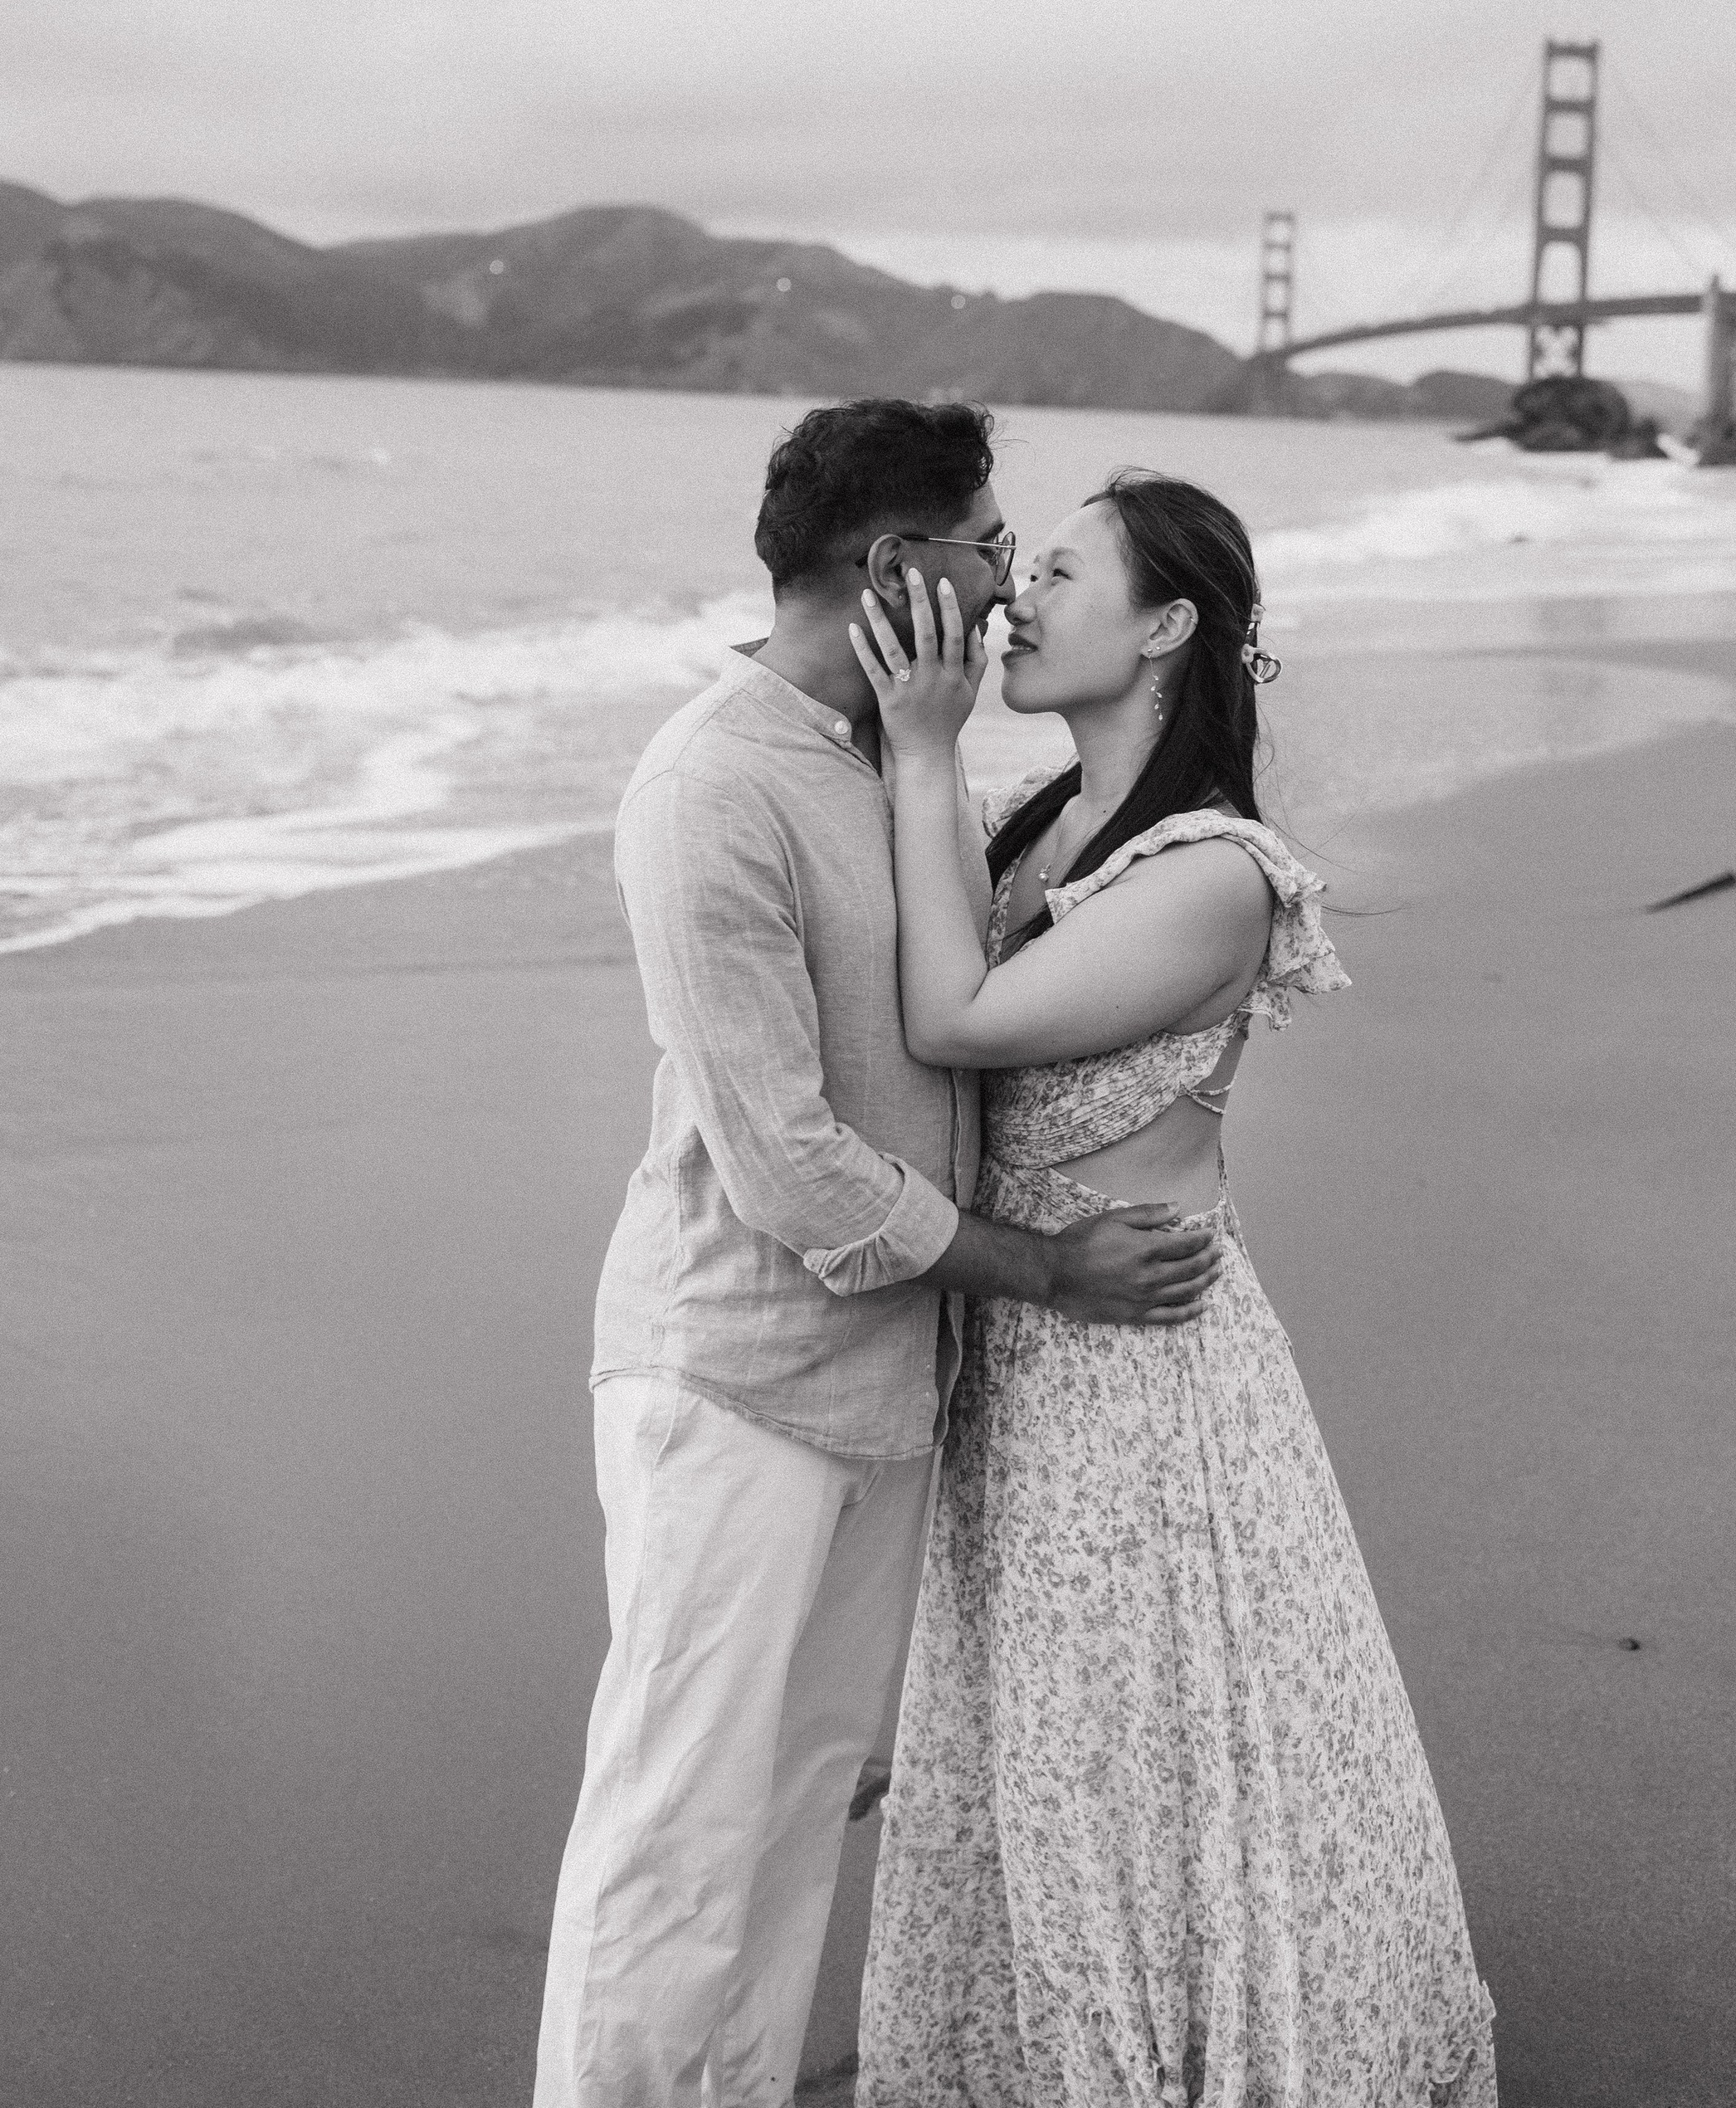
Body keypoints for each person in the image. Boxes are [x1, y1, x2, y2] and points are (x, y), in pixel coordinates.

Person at [534, 403, 1226, 2108]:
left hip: (882, 1390)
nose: (1007, 583)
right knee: (675, 1836)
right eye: (988, 546)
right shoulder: (711, 787)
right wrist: (1046, 1272)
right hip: (732, 1380)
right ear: (889, 567)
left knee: (793, 1824)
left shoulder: (890, 761)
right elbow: (786, 1166)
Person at [851, 471, 1499, 2107]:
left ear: (1162, 626)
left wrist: (920, 746)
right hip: (1024, 1352)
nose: (1017, 597)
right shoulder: (1040, 830)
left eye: (1058, 572)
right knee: (1041, 1746)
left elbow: (954, 1025)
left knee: (1131, 1754)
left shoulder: (1208, 873)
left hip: (1136, 1383)